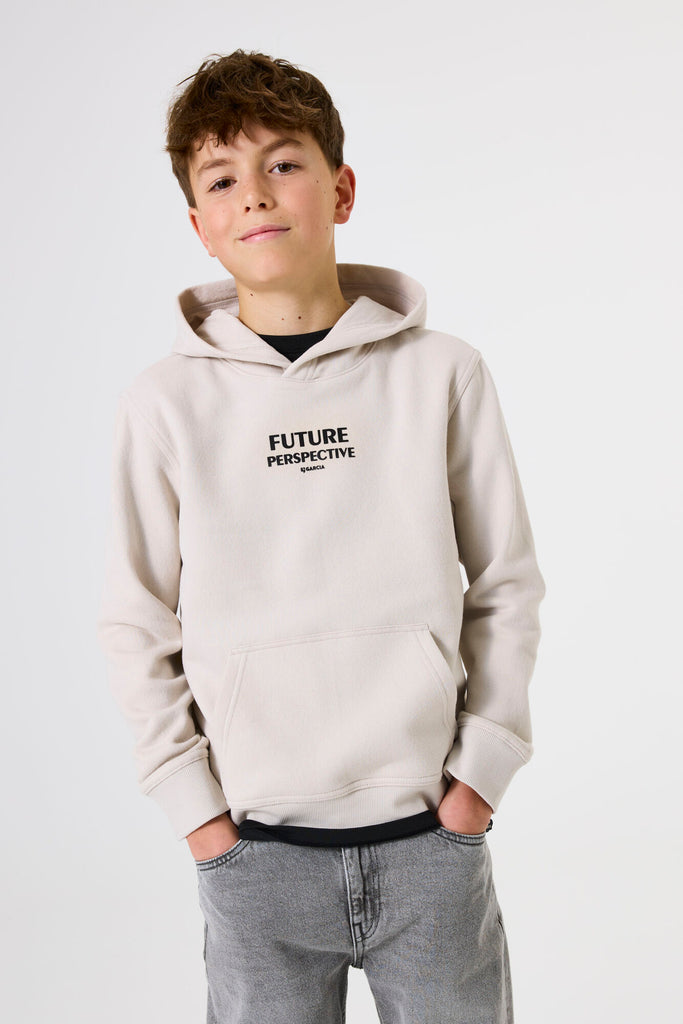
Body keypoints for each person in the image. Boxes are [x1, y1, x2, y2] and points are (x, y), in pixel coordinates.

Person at [96, 49, 546, 1024]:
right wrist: (197, 815)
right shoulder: (164, 404)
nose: (256, 194)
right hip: (254, 856)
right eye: (222, 179)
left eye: (283, 163)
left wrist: (477, 779)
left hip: (430, 843)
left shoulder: (441, 373)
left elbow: (506, 583)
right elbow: (134, 620)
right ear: (199, 224)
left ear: (340, 189)